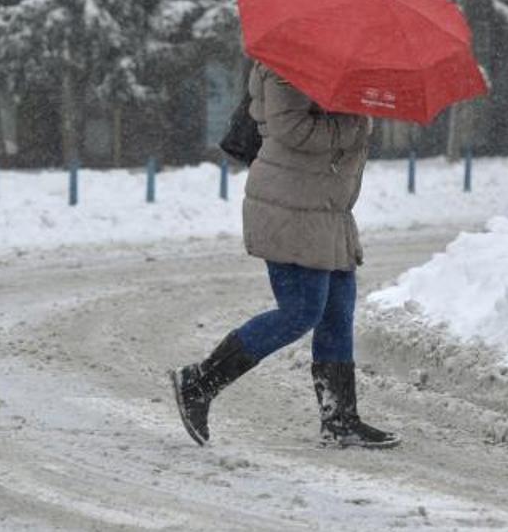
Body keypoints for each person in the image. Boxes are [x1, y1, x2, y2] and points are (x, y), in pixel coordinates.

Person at [170, 62, 399, 448]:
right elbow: (291, 128)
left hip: (326, 211)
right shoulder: (287, 66)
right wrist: (354, 125)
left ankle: (340, 419)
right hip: (288, 208)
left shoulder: (341, 67)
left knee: (337, 311)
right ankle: (199, 383)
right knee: (301, 311)